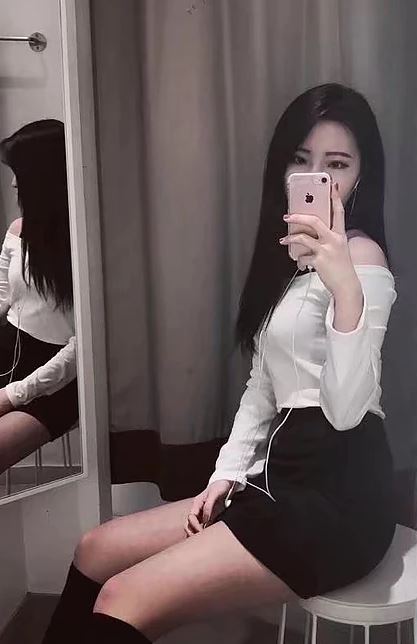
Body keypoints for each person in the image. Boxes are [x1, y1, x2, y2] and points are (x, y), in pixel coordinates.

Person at [41, 83, 398, 644]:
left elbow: (347, 411)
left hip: (340, 495)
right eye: (300, 159)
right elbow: (263, 384)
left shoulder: (362, 258)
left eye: (336, 165)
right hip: (276, 474)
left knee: (121, 598)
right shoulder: (287, 261)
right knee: (95, 549)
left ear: (360, 175)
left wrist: (346, 290)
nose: (316, 176)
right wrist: (226, 473)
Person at [0, 119, 78, 475]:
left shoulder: (83, 245)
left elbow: (82, 347)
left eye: (19, 172)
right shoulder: (18, 230)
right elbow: (3, 297)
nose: (13, 183)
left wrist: (13, 395)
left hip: (58, 377)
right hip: (10, 348)